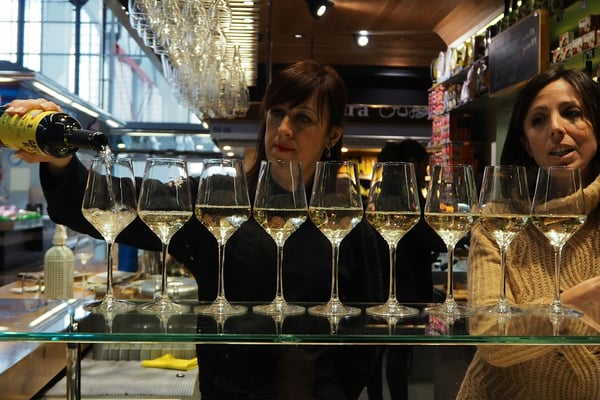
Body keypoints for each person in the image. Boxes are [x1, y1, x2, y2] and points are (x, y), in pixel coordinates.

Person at [6, 60, 386, 400]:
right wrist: (58, 158)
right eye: (277, 113)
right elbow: (103, 205)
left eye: (303, 118)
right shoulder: (217, 202)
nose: (284, 129)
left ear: (332, 134)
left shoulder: (347, 224)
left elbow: (368, 336)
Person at [457, 68, 600, 399]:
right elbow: (490, 336)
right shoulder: (500, 220)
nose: (556, 128)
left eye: (572, 113)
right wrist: (572, 305)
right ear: (525, 143)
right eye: (538, 120)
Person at [367, 140, 445, 400]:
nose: (425, 171)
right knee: (398, 350)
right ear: (412, 163)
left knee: (379, 349)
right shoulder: (407, 197)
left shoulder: (382, 194)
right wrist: (451, 240)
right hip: (405, 286)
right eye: (424, 165)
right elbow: (425, 236)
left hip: (383, 283)